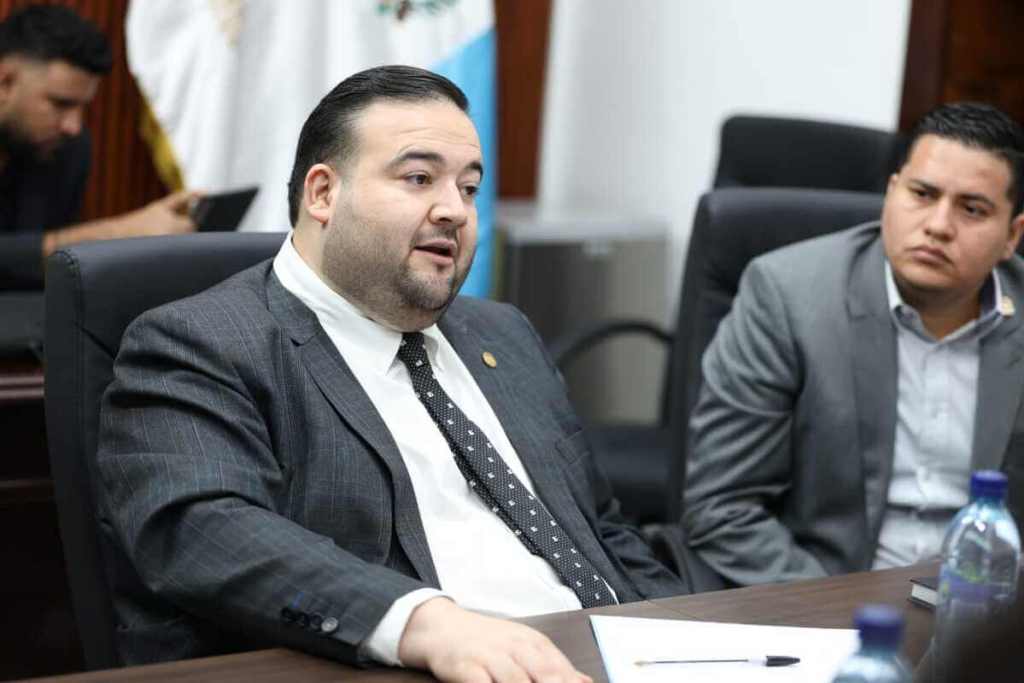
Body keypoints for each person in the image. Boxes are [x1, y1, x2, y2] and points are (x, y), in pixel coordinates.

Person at [97, 65, 686, 679]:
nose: (454, 210)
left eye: (469, 187)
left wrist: (689, 636)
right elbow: (206, 530)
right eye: (419, 178)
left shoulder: (503, 334)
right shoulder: (201, 342)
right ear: (323, 194)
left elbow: (602, 529)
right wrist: (423, 623)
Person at [681, 101, 1024, 586]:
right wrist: (843, 614)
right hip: (825, 598)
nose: (939, 225)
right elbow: (722, 508)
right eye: (922, 194)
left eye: (972, 209)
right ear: (891, 193)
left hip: (988, 619)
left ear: (1012, 235)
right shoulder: (788, 297)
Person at [0, 4, 195, 290]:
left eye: (82, 107)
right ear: (5, 82)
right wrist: (118, 234)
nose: (73, 126)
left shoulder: (67, 149)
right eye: (60, 104)